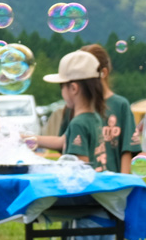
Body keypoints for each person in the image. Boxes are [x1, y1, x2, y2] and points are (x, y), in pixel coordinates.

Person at [45, 51, 120, 240]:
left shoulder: (77, 123)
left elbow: (79, 168)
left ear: (73, 88)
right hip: (104, 205)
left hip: (83, 208)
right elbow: (72, 147)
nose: (62, 92)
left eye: (62, 86)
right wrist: (30, 139)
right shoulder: (96, 118)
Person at [36, 44, 139, 173]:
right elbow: (63, 142)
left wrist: (123, 181)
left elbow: (81, 170)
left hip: (97, 186)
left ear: (73, 88)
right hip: (104, 184)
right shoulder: (90, 115)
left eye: (61, 86)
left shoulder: (82, 119)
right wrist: (24, 138)